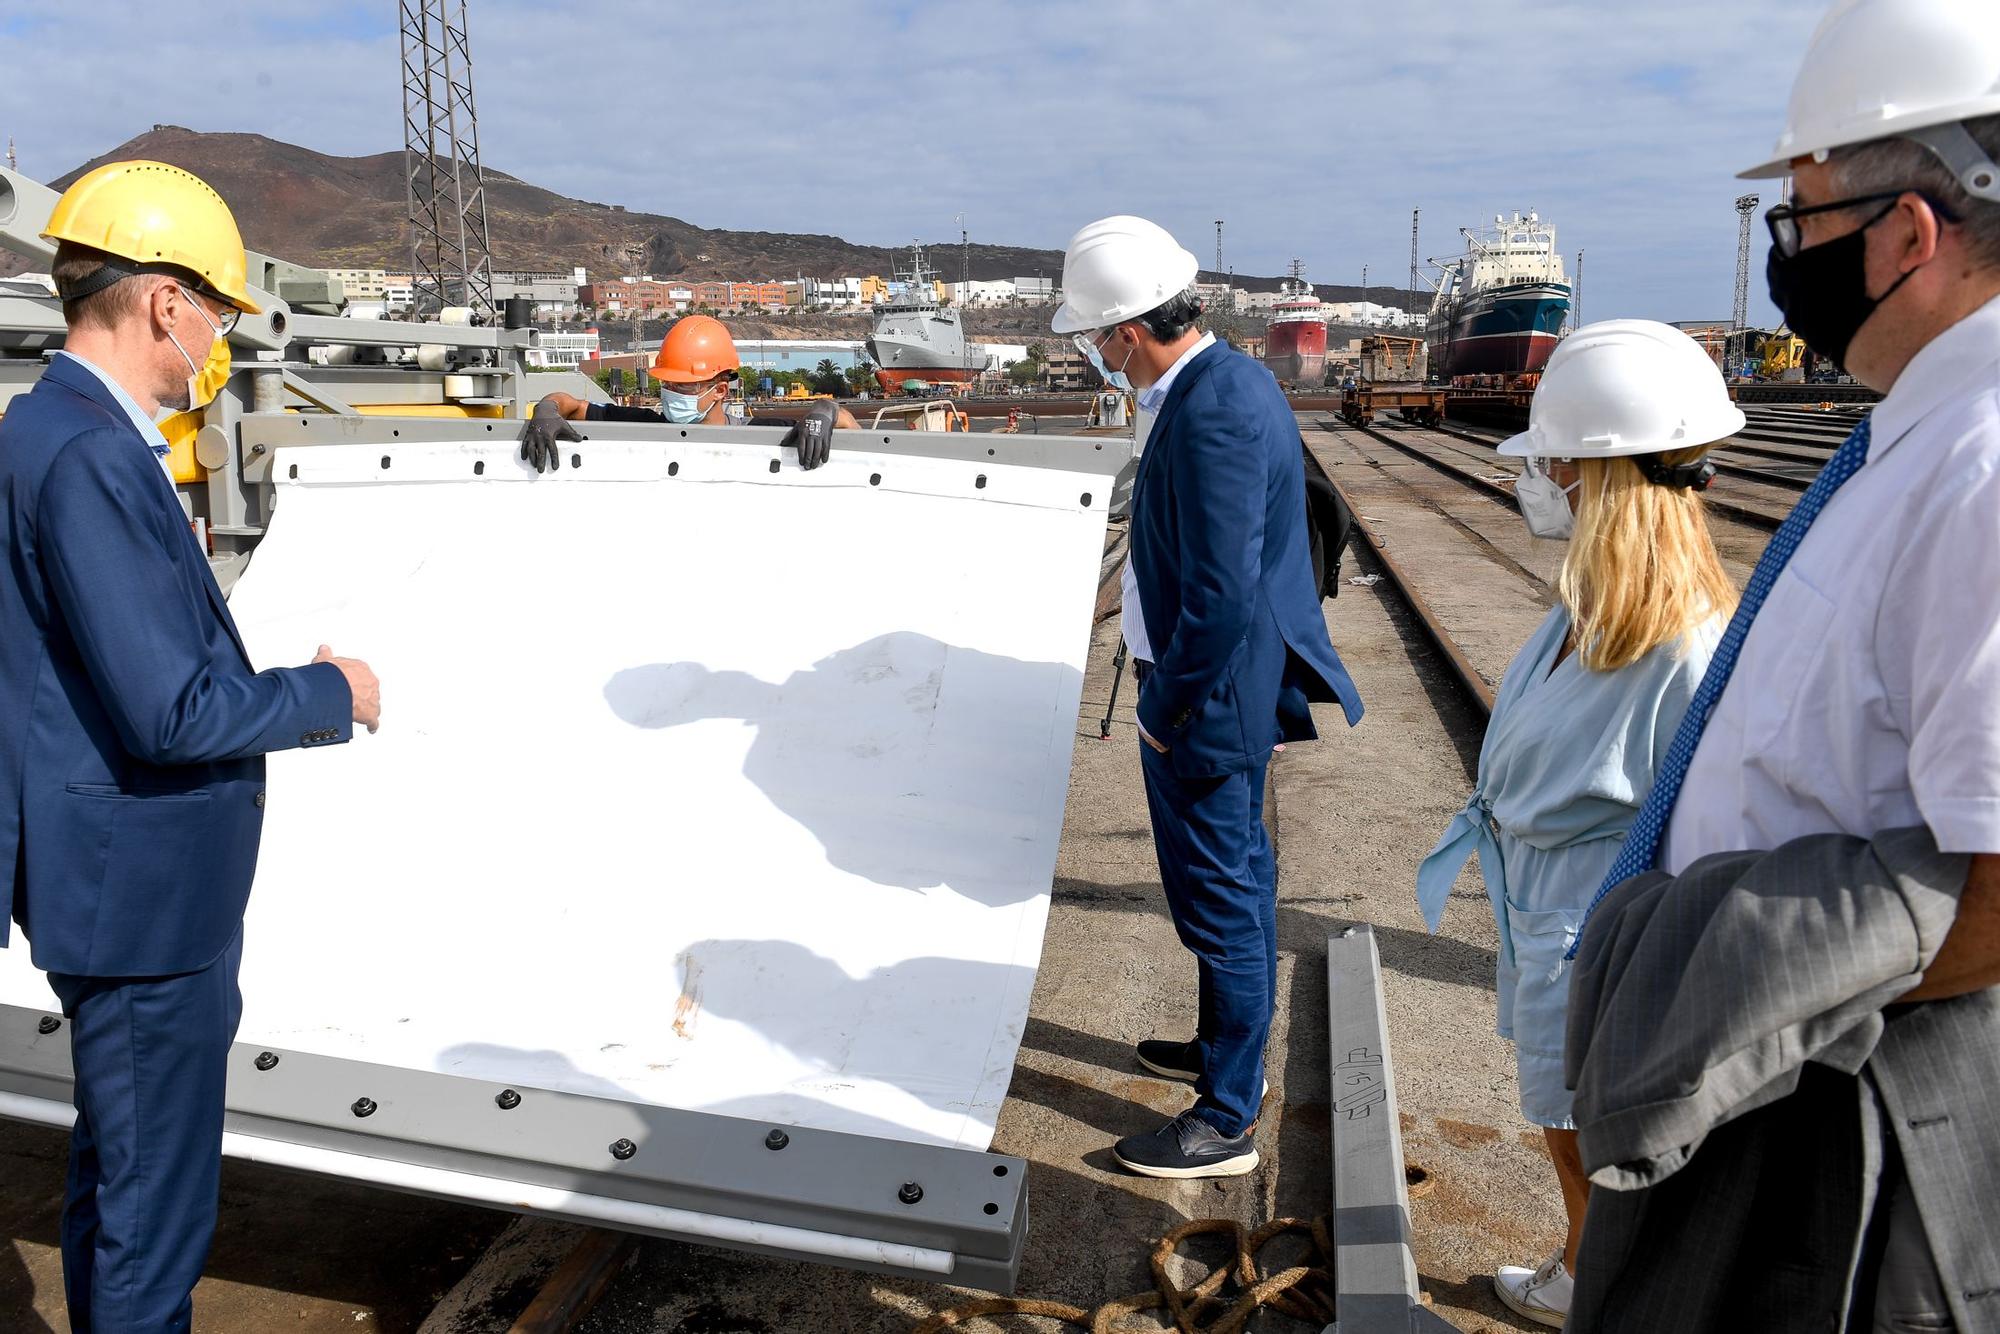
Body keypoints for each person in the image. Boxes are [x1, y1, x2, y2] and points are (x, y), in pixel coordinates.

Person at [1566, 2, 2000, 1327]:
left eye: (1799, 222)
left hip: (1830, 1117)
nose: (1785, 257)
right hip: (1783, 1082)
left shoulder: (1984, 465)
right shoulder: (1924, 433)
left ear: (1908, 232)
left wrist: (1744, 1009)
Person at [0, 160, 381, 1331]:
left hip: (116, 883)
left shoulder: (42, 427)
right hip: (142, 904)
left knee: (119, 1172)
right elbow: (169, 714)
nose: (217, 335)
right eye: (215, 307)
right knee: (154, 1210)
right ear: (165, 301)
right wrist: (331, 690)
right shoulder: (92, 456)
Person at [1415, 321, 1741, 1328]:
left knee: (1588, 1124)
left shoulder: (1688, 645)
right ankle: (1580, 1261)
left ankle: (1605, 1291)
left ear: (1600, 477)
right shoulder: (1586, 608)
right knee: (1559, 1115)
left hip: (1600, 918)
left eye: (1553, 460)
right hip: (1544, 902)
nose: (1539, 476)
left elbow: (1708, 831)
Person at [1050, 215, 1363, 1178]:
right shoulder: (1215, 383)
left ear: (1126, 333)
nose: (1097, 357)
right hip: (1206, 687)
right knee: (1226, 882)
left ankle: (1227, 1117)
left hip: (1207, 697)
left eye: (1094, 340)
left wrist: (1164, 704)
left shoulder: (1216, 404)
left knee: (1221, 896)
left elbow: (1224, 593)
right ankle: (1223, 1049)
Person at [522, 314, 856, 472]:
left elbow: (849, 427)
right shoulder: (645, 424)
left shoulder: (759, 434)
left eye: (682, 385)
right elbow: (568, 404)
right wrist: (546, 412)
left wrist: (824, 410)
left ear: (720, 390)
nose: (668, 393)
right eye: (666, 383)